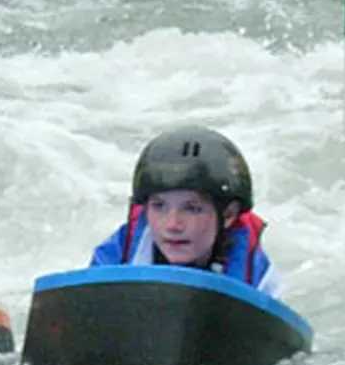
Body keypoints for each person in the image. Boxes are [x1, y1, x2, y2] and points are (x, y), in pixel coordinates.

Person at [90, 125, 283, 297]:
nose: (173, 225)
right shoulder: (114, 258)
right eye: (159, 206)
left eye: (192, 209)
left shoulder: (259, 278)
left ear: (228, 215)